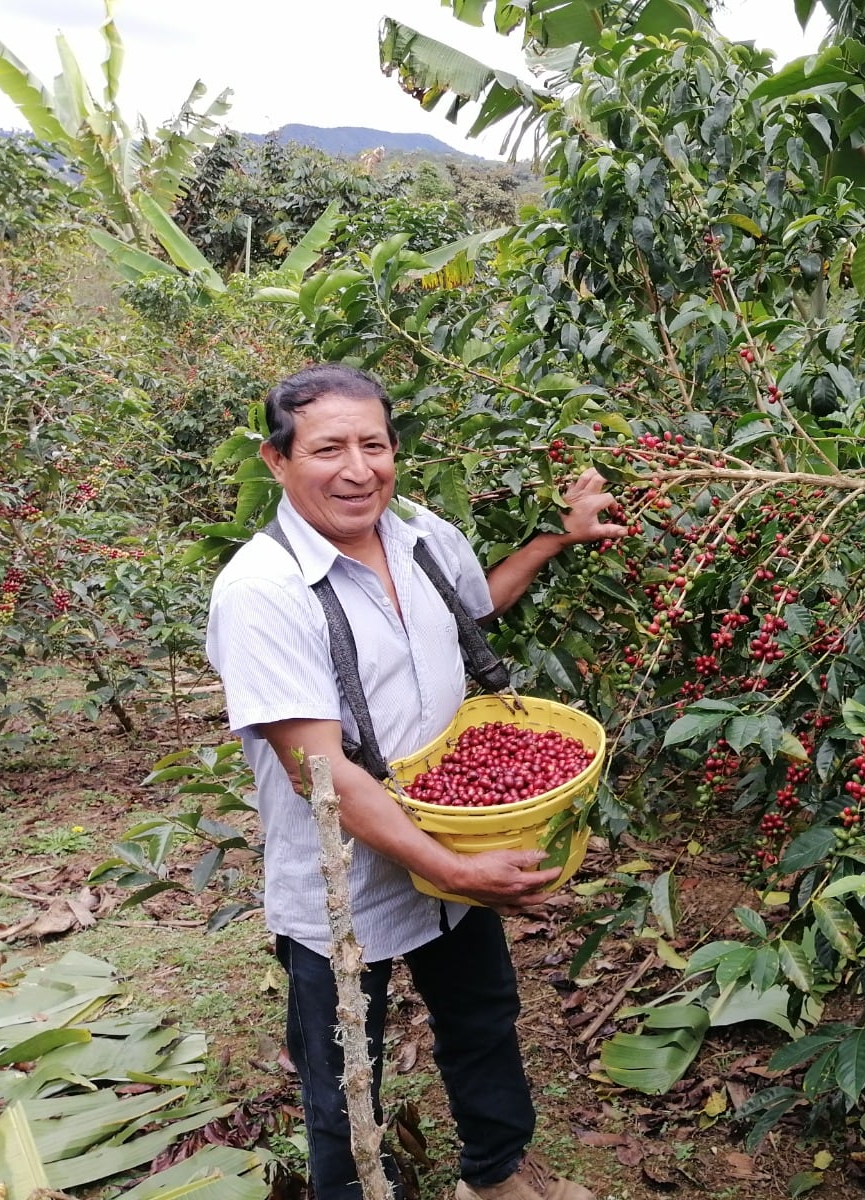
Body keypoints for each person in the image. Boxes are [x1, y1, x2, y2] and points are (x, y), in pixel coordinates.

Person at [206, 363, 627, 1200]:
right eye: (328, 449)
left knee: (483, 1018)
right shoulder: (261, 592)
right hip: (343, 879)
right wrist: (455, 869)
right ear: (277, 460)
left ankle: (495, 1176)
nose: (357, 470)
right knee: (344, 1075)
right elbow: (320, 771)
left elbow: (471, 610)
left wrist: (554, 538)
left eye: (374, 445)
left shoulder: (423, 535)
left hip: (453, 838)